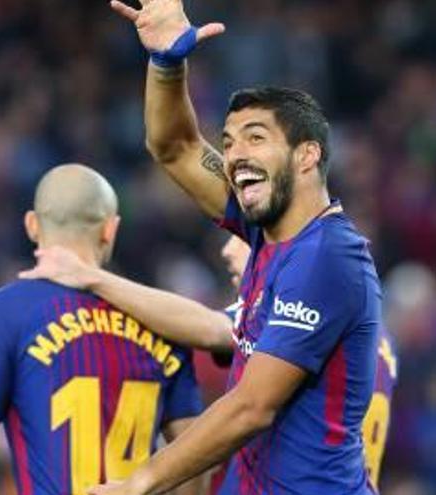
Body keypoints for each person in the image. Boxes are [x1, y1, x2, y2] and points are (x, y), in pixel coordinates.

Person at [74, 0, 387, 493]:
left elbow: (251, 406)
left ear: (307, 156)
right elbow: (176, 147)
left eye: (255, 138)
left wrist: (141, 483)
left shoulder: (328, 256)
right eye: (230, 140)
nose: (236, 153)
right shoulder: (267, 231)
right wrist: (166, 63)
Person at [0, 164, 203, 495]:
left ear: (32, 225)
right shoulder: (164, 320)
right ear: (110, 229)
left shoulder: (7, 311)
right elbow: (195, 455)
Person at [22, 235, 398, 492]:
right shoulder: (372, 335)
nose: (227, 250)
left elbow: (209, 331)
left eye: (245, 237)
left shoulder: (297, 319)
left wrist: (93, 279)